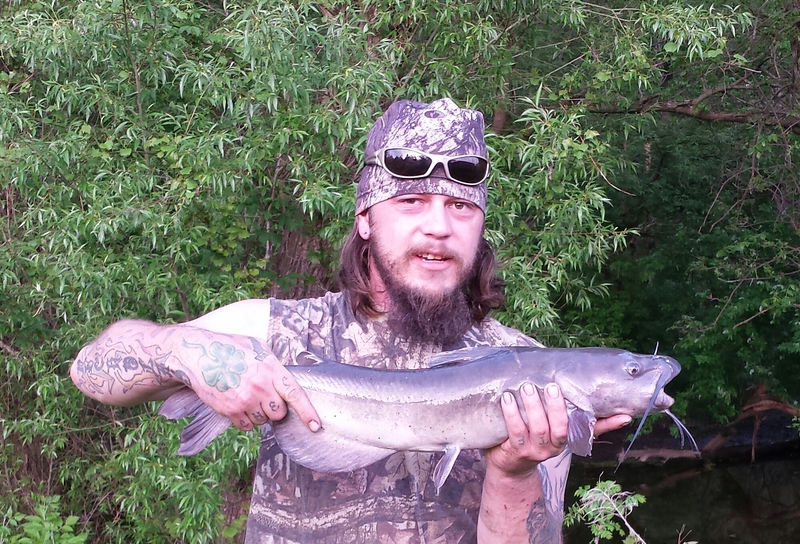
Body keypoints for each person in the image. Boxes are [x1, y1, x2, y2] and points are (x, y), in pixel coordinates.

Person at [70, 98, 631, 543]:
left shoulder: (531, 376)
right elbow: (91, 367)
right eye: (411, 202)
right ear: (365, 218)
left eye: (461, 206)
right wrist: (188, 352)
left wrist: (512, 475)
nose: (439, 226)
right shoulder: (279, 333)